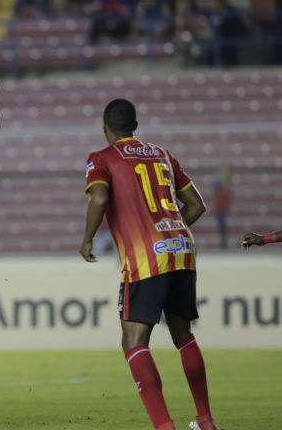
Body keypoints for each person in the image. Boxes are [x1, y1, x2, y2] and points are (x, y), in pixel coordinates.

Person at [79, 99, 218, 430]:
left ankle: (164, 426)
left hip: (146, 258)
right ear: (135, 126)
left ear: (105, 129)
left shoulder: (102, 158)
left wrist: (86, 240)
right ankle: (206, 421)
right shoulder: (163, 154)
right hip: (182, 248)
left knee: (134, 342)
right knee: (183, 334)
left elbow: (98, 197)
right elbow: (197, 206)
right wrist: (168, 232)